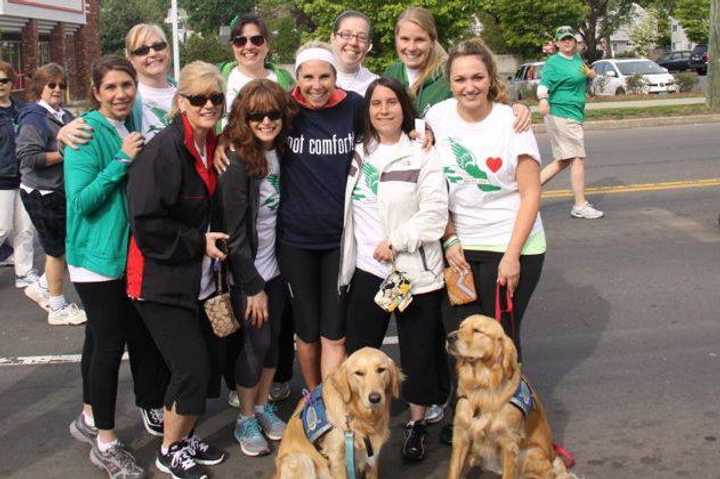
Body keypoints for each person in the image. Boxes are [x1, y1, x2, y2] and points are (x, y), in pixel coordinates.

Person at [425, 37, 546, 443]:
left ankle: (510, 422)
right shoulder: (437, 117)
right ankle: (467, 416)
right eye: (460, 79)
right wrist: (449, 239)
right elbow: (433, 186)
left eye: (477, 77)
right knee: (458, 336)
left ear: (490, 78)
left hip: (512, 245)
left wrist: (512, 257)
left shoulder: (510, 121)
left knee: (498, 342)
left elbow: (531, 193)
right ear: (449, 82)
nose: (469, 86)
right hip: (460, 244)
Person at [340, 77, 450, 461]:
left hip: (408, 272)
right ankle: (361, 428)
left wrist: (397, 241)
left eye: (391, 102)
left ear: (404, 107)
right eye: (376, 103)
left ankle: (416, 424)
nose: (383, 109)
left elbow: (435, 215)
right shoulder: (358, 154)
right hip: (367, 271)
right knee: (361, 354)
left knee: (417, 354)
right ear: (367, 111)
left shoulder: (422, 153)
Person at [64, 54, 165, 479]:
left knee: (97, 339)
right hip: (95, 260)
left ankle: (88, 418)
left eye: (127, 85)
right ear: (96, 92)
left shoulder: (130, 122)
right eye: (111, 87)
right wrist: (121, 161)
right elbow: (81, 201)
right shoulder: (86, 133)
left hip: (122, 256)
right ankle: (106, 442)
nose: (121, 93)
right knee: (109, 347)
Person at [126, 61, 227, 479]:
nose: (208, 105)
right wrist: (197, 243)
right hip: (158, 280)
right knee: (190, 368)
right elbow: (146, 221)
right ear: (180, 101)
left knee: (199, 367)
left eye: (215, 98)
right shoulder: (164, 150)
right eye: (198, 98)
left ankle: (183, 438)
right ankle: (169, 451)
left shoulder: (209, 143)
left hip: (196, 280)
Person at [275, 41, 365, 391]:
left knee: (334, 333)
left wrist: (423, 132)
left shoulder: (354, 107)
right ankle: (314, 394)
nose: (317, 84)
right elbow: (243, 125)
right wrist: (224, 143)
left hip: (339, 240)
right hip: (295, 240)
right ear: (297, 77)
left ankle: (331, 400)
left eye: (324, 76)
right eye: (308, 76)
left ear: (335, 76)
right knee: (307, 332)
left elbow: (394, 121)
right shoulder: (283, 107)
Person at [217, 13, 296, 408]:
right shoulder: (237, 164)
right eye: (256, 116)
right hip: (251, 273)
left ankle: (263, 407)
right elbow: (235, 234)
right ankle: (246, 414)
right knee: (256, 344)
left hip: (277, 267)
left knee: (274, 344)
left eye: (273, 115)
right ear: (243, 119)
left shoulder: (281, 152)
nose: (266, 121)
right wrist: (252, 287)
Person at [15, 63, 86, 325]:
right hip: (41, 193)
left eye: (62, 85)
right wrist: (65, 154)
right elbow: (28, 157)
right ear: (40, 88)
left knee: (64, 245)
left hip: (59, 191)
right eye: (52, 85)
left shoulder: (64, 115)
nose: (58, 89)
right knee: (55, 251)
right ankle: (57, 307)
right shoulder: (33, 117)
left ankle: (43, 287)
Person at [537, 26, 603, 219]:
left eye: (570, 39)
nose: (567, 42)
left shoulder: (576, 59)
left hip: (574, 113)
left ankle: (523, 191)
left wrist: (591, 76)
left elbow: (583, 79)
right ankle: (580, 205)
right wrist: (542, 99)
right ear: (557, 43)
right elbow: (544, 84)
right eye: (563, 39)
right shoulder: (553, 62)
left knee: (563, 160)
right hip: (561, 113)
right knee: (577, 159)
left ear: (575, 41)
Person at [0, 60, 36, 287]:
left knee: (25, 228)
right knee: (2, 227)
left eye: (4, 80)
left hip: (24, 176)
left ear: (12, 83)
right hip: (1, 179)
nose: (0, 85)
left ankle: (25, 273)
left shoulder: (22, 110)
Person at [220, 14, 295, 116]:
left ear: (267, 46)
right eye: (240, 41)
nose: (249, 46)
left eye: (256, 40)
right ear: (232, 47)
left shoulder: (286, 81)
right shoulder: (218, 77)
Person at [384, 6, 452, 116]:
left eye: (419, 40)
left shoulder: (448, 79)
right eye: (405, 39)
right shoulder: (391, 74)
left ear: (432, 42)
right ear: (396, 39)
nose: (411, 48)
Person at [125, 23, 177, 139]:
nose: (152, 53)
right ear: (130, 60)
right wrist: (74, 128)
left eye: (158, 46)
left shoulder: (186, 92)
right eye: (142, 50)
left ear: (167, 50)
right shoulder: (127, 99)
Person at [329, 10, 378, 95]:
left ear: (368, 45)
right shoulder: (314, 79)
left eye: (362, 37)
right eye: (346, 35)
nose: (353, 42)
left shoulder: (375, 85)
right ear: (333, 38)